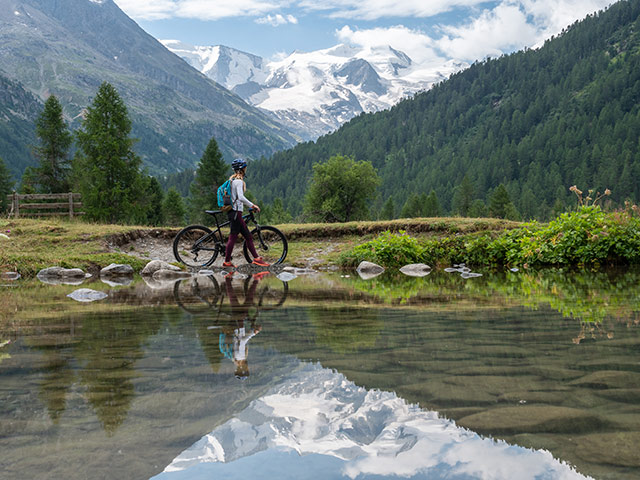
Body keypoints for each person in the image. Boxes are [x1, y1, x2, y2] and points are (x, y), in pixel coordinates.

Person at [223, 158, 270, 268]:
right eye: (245, 167)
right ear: (241, 169)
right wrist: (252, 205)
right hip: (236, 213)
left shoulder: (232, 181)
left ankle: (254, 259)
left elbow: (237, 198)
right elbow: (241, 197)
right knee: (238, 237)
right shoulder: (238, 182)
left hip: (233, 212)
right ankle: (228, 261)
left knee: (243, 236)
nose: (246, 169)